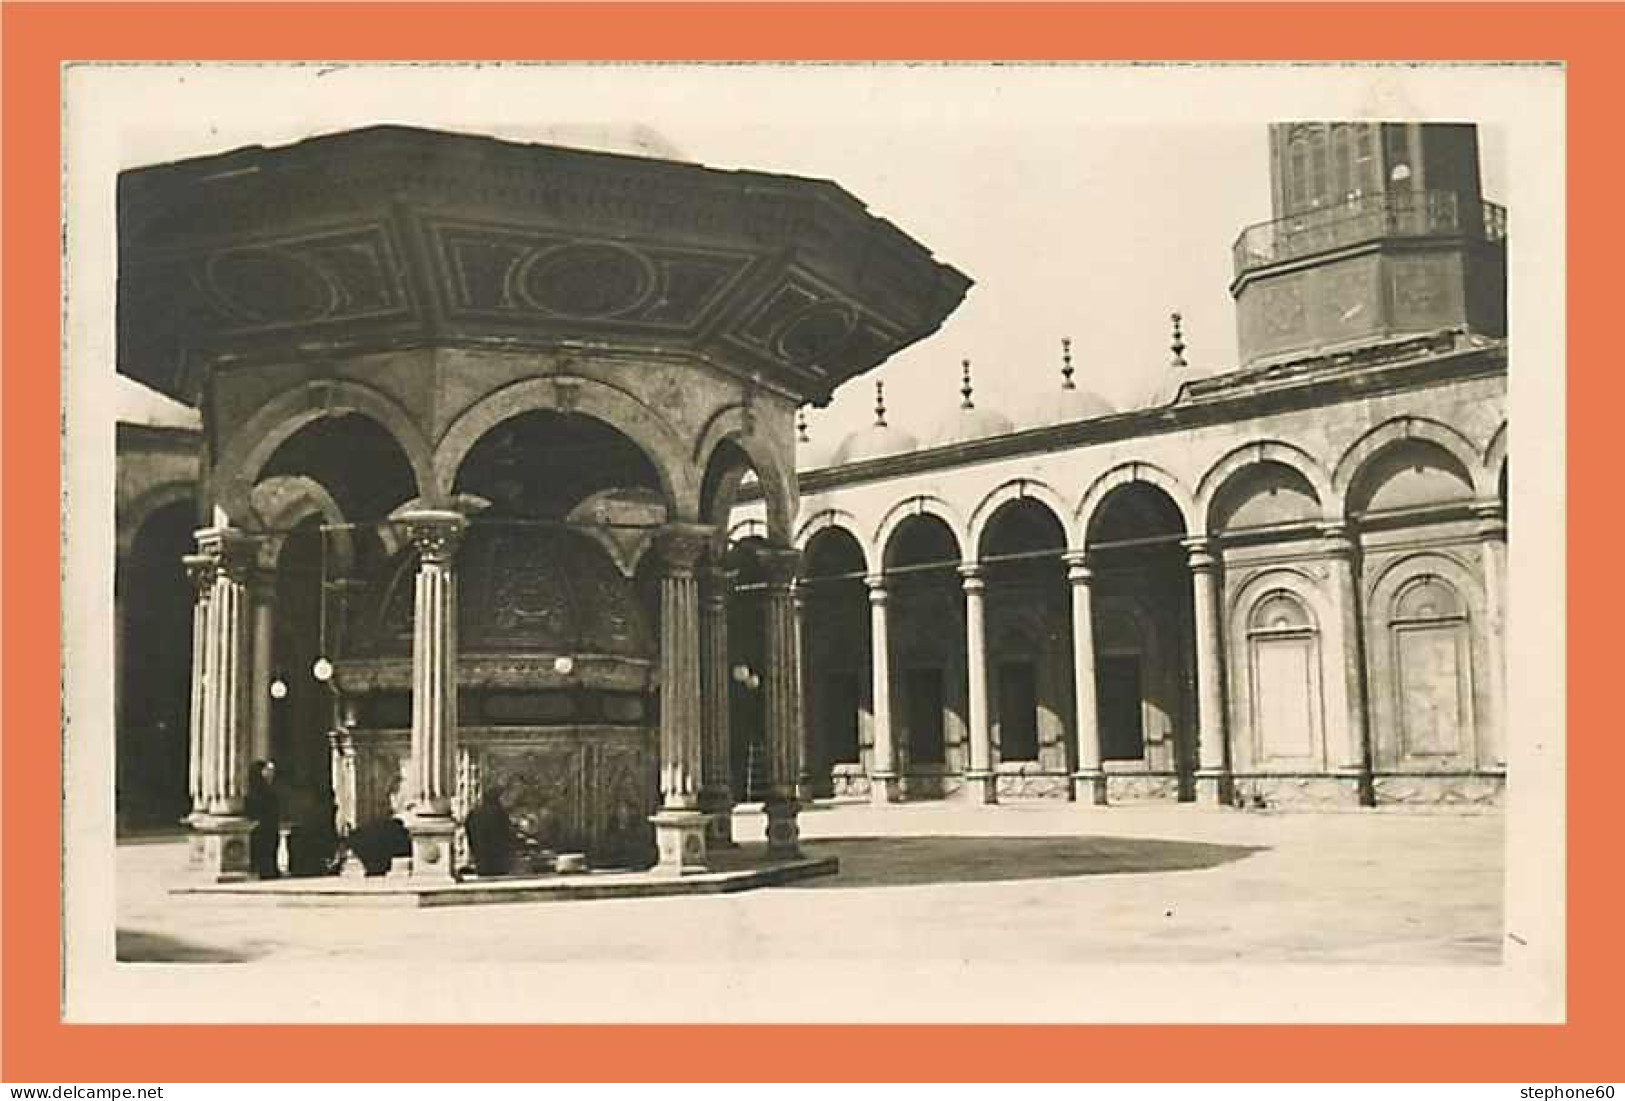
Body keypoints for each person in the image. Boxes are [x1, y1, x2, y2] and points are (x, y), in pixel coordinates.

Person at [464, 785, 514, 877]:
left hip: (481, 859)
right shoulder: (499, 813)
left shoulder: (474, 813)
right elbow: (506, 834)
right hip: (497, 861)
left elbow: (468, 829)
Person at [244, 759, 282, 879]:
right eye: (268, 770)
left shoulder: (269, 787)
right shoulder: (258, 789)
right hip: (262, 825)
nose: (271, 773)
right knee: (264, 848)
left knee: (270, 847)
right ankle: (265, 871)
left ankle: (269, 870)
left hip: (270, 824)